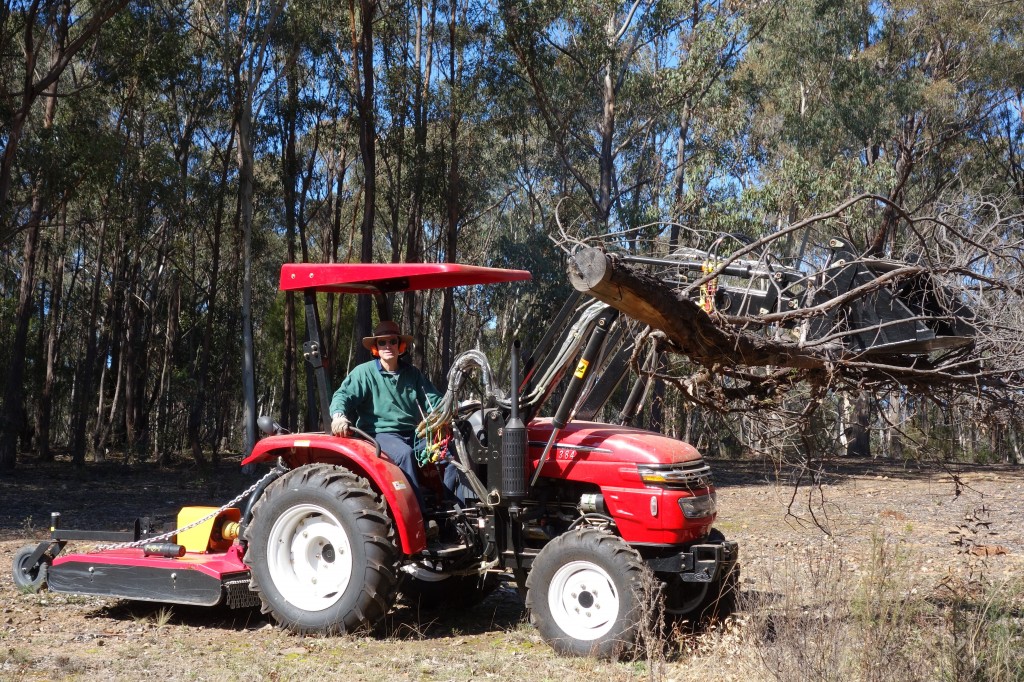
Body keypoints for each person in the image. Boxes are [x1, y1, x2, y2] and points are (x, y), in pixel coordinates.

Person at [329, 320, 442, 513]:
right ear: (376, 348)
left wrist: (451, 409)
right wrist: (338, 416)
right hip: (378, 434)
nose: (388, 346)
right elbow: (343, 395)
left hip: (412, 433)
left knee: (445, 455)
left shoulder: (412, 373)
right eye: (382, 342)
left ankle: (456, 512)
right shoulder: (364, 373)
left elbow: (433, 400)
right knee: (404, 455)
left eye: (392, 341)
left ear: (400, 346)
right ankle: (418, 517)